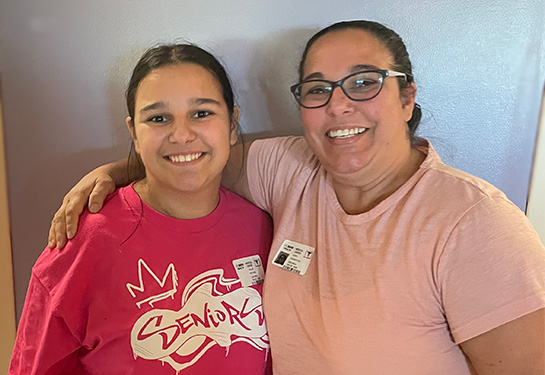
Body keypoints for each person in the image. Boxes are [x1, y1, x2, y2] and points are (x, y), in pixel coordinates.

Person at [48, 21, 545, 375]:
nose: (339, 104)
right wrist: (116, 170)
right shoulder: (287, 168)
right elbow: (194, 157)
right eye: (317, 89)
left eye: (365, 82)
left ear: (408, 97)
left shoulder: (474, 221)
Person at [10, 44, 273, 375]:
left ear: (233, 124)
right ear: (134, 132)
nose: (181, 134)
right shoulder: (83, 240)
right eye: (158, 118)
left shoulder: (262, 226)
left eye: (202, 113)